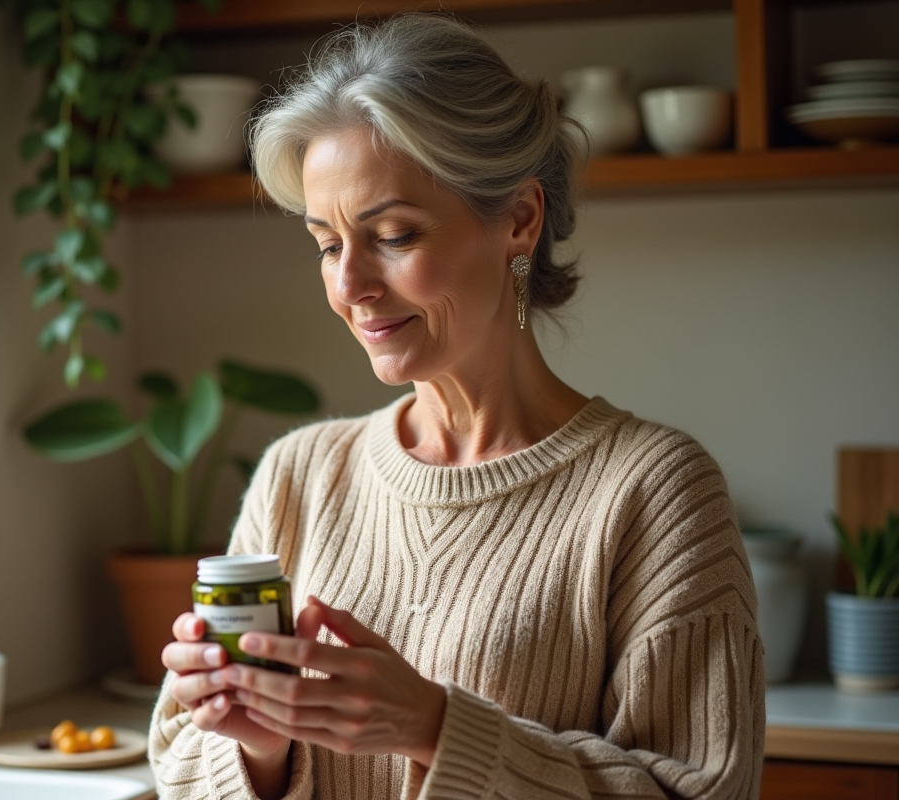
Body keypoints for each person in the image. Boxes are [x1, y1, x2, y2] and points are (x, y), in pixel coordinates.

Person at [150, 13, 763, 800]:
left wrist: (435, 729)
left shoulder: (653, 492)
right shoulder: (297, 476)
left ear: (519, 219)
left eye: (394, 235)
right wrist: (261, 753)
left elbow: (699, 789)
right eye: (328, 245)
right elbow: (175, 758)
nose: (350, 287)